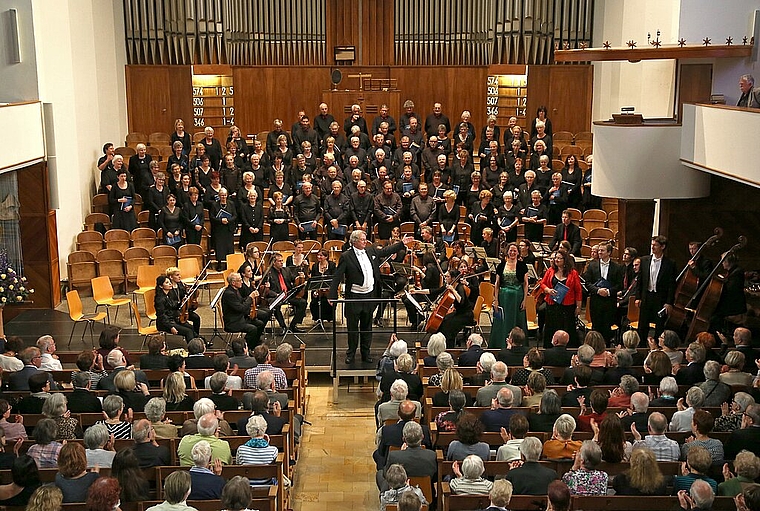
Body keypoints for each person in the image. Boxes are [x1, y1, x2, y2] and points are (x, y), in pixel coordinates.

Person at [328, 229, 413, 364]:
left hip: (369, 295)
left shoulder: (370, 251)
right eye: (362, 239)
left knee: (367, 327)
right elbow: (337, 276)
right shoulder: (346, 256)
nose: (365, 241)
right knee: (353, 328)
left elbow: (386, 251)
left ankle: (365, 353)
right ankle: (351, 353)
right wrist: (331, 295)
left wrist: (401, 243)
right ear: (355, 241)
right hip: (354, 297)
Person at [636, 235, 677, 339]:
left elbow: (672, 285)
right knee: (642, 325)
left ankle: (658, 348)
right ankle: (641, 348)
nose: (652, 247)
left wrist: (669, 302)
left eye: (655, 245)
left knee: (659, 326)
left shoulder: (670, 263)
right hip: (646, 297)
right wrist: (638, 297)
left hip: (660, 298)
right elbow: (640, 281)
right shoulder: (644, 260)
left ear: (662, 247)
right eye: (652, 244)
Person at [490, 243, 529, 349]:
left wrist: (525, 300)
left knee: (517, 321)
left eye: (514, 251)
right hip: (503, 298)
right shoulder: (501, 265)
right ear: (507, 252)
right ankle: (500, 344)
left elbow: (525, 284)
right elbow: (497, 284)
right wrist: (496, 300)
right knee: (501, 320)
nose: (512, 253)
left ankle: (517, 345)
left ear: (518, 252)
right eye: (510, 250)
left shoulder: (522, 266)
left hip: (517, 298)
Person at [540, 250, 583, 348]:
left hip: (567, 306)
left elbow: (578, 291)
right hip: (552, 305)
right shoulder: (550, 270)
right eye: (556, 258)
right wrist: (548, 290)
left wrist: (578, 306)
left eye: (559, 258)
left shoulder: (573, 273)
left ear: (565, 260)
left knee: (567, 328)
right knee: (551, 327)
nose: (556, 260)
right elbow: (542, 283)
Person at [584, 241, 624, 343]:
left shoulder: (617, 267)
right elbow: (587, 283)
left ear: (609, 252)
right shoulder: (592, 265)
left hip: (609, 301)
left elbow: (620, 285)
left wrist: (609, 292)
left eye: (602, 250)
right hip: (596, 301)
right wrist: (598, 290)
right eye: (599, 250)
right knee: (596, 327)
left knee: (607, 328)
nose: (600, 252)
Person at [222, 272, 265, 350]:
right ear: (233, 283)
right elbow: (241, 308)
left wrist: (252, 296)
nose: (241, 282)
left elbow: (241, 301)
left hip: (240, 318)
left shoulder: (235, 290)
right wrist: (250, 298)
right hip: (233, 322)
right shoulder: (229, 294)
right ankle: (244, 348)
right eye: (239, 280)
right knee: (252, 329)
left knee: (260, 324)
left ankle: (254, 344)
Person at [154, 275, 194, 344]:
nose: (170, 284)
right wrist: (171, 327)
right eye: (167, 283)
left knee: (191, 328)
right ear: (161, 286)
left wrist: (182, 302)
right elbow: (161, 316)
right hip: (164, 324)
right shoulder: (159, 299)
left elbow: (174, 306)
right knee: (188, 332)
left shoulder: (169, 294)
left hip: (173, 319)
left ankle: (200, 344)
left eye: (170, 282)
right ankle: (193, 350)